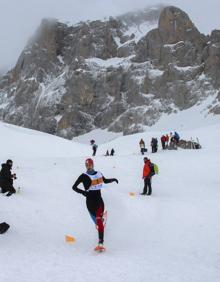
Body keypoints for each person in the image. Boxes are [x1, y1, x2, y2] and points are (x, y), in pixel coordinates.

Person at [72, 158, 118, 251]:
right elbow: (74, 187)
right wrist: (83, 192)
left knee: (98, 221)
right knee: (97, 222)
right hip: (89, 203)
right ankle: (100, 220)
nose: (88, 167)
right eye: (87, 165)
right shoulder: (83, 176)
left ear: (93, 165)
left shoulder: (98, 174)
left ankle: (100, 243)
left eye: (89, 165)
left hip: (99, 201)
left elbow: (104, 181)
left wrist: (113, 179)